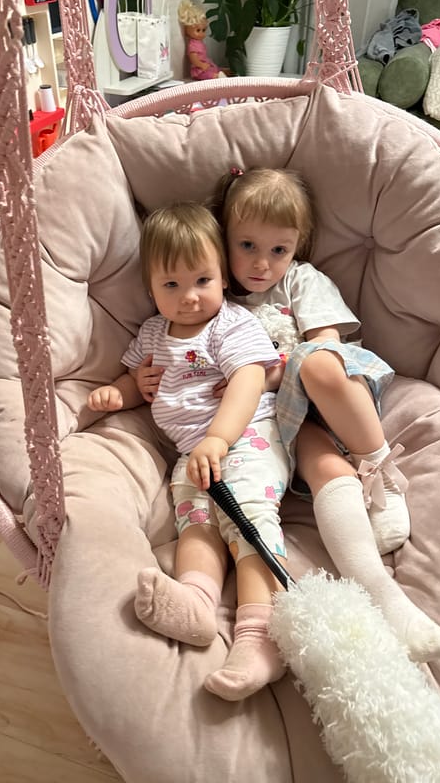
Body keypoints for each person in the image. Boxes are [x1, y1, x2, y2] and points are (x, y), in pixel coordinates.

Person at [137, 169, 440, 664]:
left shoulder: (301, 283)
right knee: (315, 459)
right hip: (274, 427)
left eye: (278, 251)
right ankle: (381, 600)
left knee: (313, 365)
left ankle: (377, 474)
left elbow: (326, 347)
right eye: (246, 246)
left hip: (330, 401)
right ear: (223, 241)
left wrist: (260, 374)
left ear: (297, 248)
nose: (261, 264)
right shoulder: (210, 295)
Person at [88, 202, 291, 701]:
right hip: (191, 456)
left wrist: (218, 438)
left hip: (245, 440)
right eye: (170, 286)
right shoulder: (153, 334)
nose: (188, 298)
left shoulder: (230, 326)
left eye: (202, 280)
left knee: (244, 519)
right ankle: (198, 602)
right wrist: (123, 389)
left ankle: (261, 638)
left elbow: (248, 379)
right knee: (195, 522)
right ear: (151, 289)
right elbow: (139, 384)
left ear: (223, 277)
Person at [177, 0, 230, 81]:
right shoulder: (192, 45)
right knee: (208, 74)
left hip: (206, 64)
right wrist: (201, 65)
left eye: (204, 30)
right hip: (199, 69)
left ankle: (222, 73)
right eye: (198, 30)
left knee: (215, 69)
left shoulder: (198, 42)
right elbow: (193, 58)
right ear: (187, 30)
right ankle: (217, 77)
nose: (202, 33)